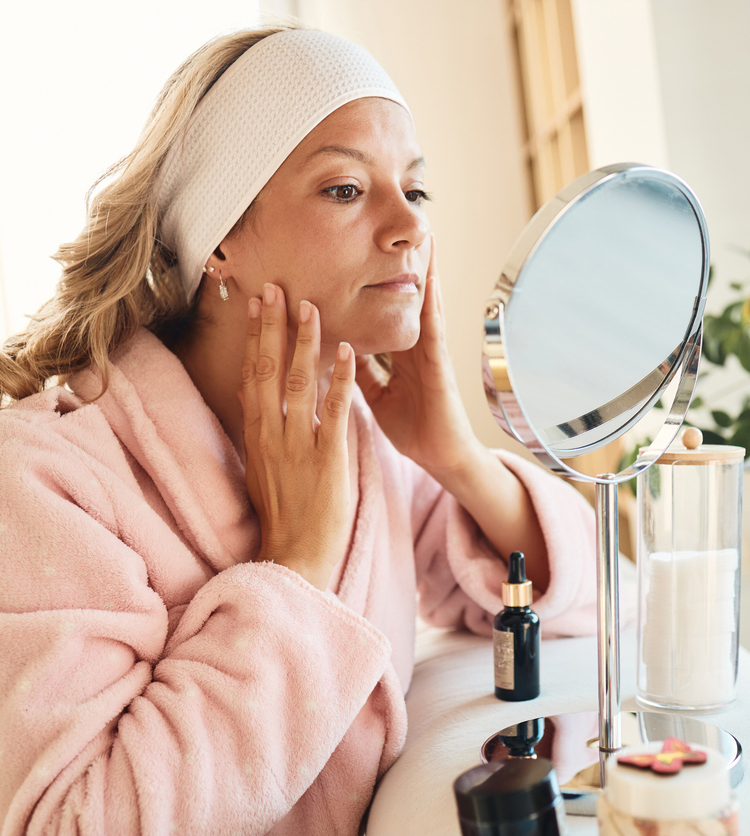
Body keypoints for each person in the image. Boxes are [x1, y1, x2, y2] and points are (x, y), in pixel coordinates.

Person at [0, 23, 597, 836]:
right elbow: (74, 822)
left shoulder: (358, 435)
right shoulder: (51, 479)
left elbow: (587, 603)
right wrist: (297, 565)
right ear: (220, 243)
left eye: (415, 190)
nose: (409, 226)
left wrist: (452, 454)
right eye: (346, 190)